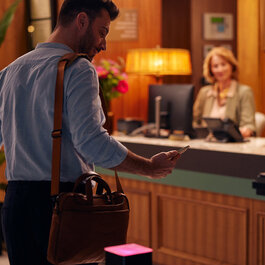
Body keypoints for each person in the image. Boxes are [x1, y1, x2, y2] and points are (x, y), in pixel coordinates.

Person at [0, 0, 181, 264]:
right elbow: (92, 142)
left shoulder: (10, 72)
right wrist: (149, 168)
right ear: (81, 21)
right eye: (102, 32)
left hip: (15, 205)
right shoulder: (78, 68)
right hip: (62, 205)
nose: (103, 43)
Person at [193, 46, 256, 138]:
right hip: (205, 143)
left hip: (232, 146)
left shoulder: (244, 92)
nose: (220, 70)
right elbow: (194, 121)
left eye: (223, 64)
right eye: (215, 66)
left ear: (231, 66)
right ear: (211, 70)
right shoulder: (204, 92)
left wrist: (245, 131)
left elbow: (249, 125)